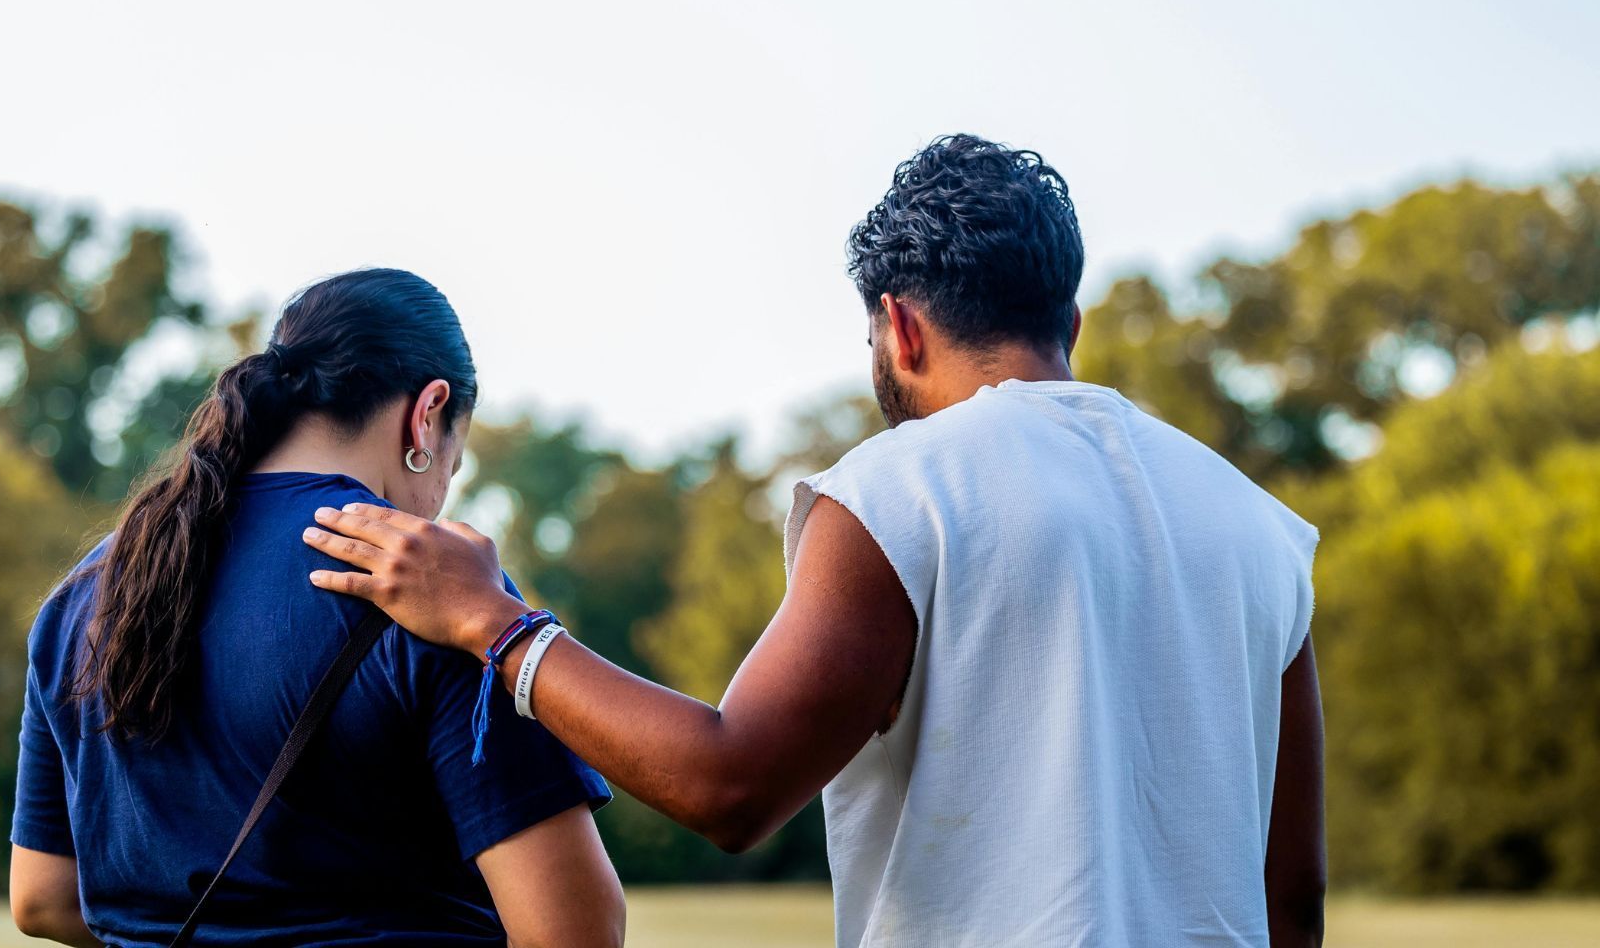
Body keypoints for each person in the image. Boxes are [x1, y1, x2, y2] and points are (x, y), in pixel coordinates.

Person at [301, 137, 1327, 947]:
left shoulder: (906, 489)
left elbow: (732, 786)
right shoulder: (1260, 529)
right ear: (1067, 314)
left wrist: (499, 624)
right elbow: (1297, 901)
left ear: (899, 327)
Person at [9, 269, 624, 948]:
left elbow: (41, 900)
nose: (445, 487)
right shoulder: (434, 591)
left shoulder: (87, 592)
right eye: (456, 454)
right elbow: (575, 931)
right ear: (427, 413)